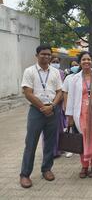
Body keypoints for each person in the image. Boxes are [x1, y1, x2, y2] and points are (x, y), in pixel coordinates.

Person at [20, 44, 62, 188]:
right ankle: (25, 174)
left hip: (53, 110)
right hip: (36, 111)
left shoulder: (55, 72)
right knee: (31, 143)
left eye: (49, 54)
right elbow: (28, 92)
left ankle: (46, 169)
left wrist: (52, 106)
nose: (46, 57)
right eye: (43, 54)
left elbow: (59, 92)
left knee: (50, 142)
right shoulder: (29, 71)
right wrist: (42, 107)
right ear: (37, 55)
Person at [66, 51, 92, 178]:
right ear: (80, 62)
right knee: (82, 140)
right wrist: (69, 116)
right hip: (81, 114)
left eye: (89, 59)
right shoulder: (74, 79)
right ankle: (84, 166)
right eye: (84, 59)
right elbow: (71, 98)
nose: (86, 61)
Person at [48, 56, 66, 158]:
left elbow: (63, 89)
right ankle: (51, 151)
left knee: (59, 128)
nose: (55, 63)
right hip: (47, 103)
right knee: (48, 129)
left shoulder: (62, 73)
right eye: (53, 62)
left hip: (59, 103)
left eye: (57, 61)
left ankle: (60, 148)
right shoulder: (47, 72)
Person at [61, 60, 80, 158]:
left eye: (76, 65)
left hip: (82, 106)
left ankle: (82, 146)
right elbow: (65, 92)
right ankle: (72, 147)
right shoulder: (68, 78)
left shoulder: (84, 76)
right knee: (72, 126)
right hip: (71, 106)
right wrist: (66, 106)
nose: (75, 67)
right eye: (72, 65)